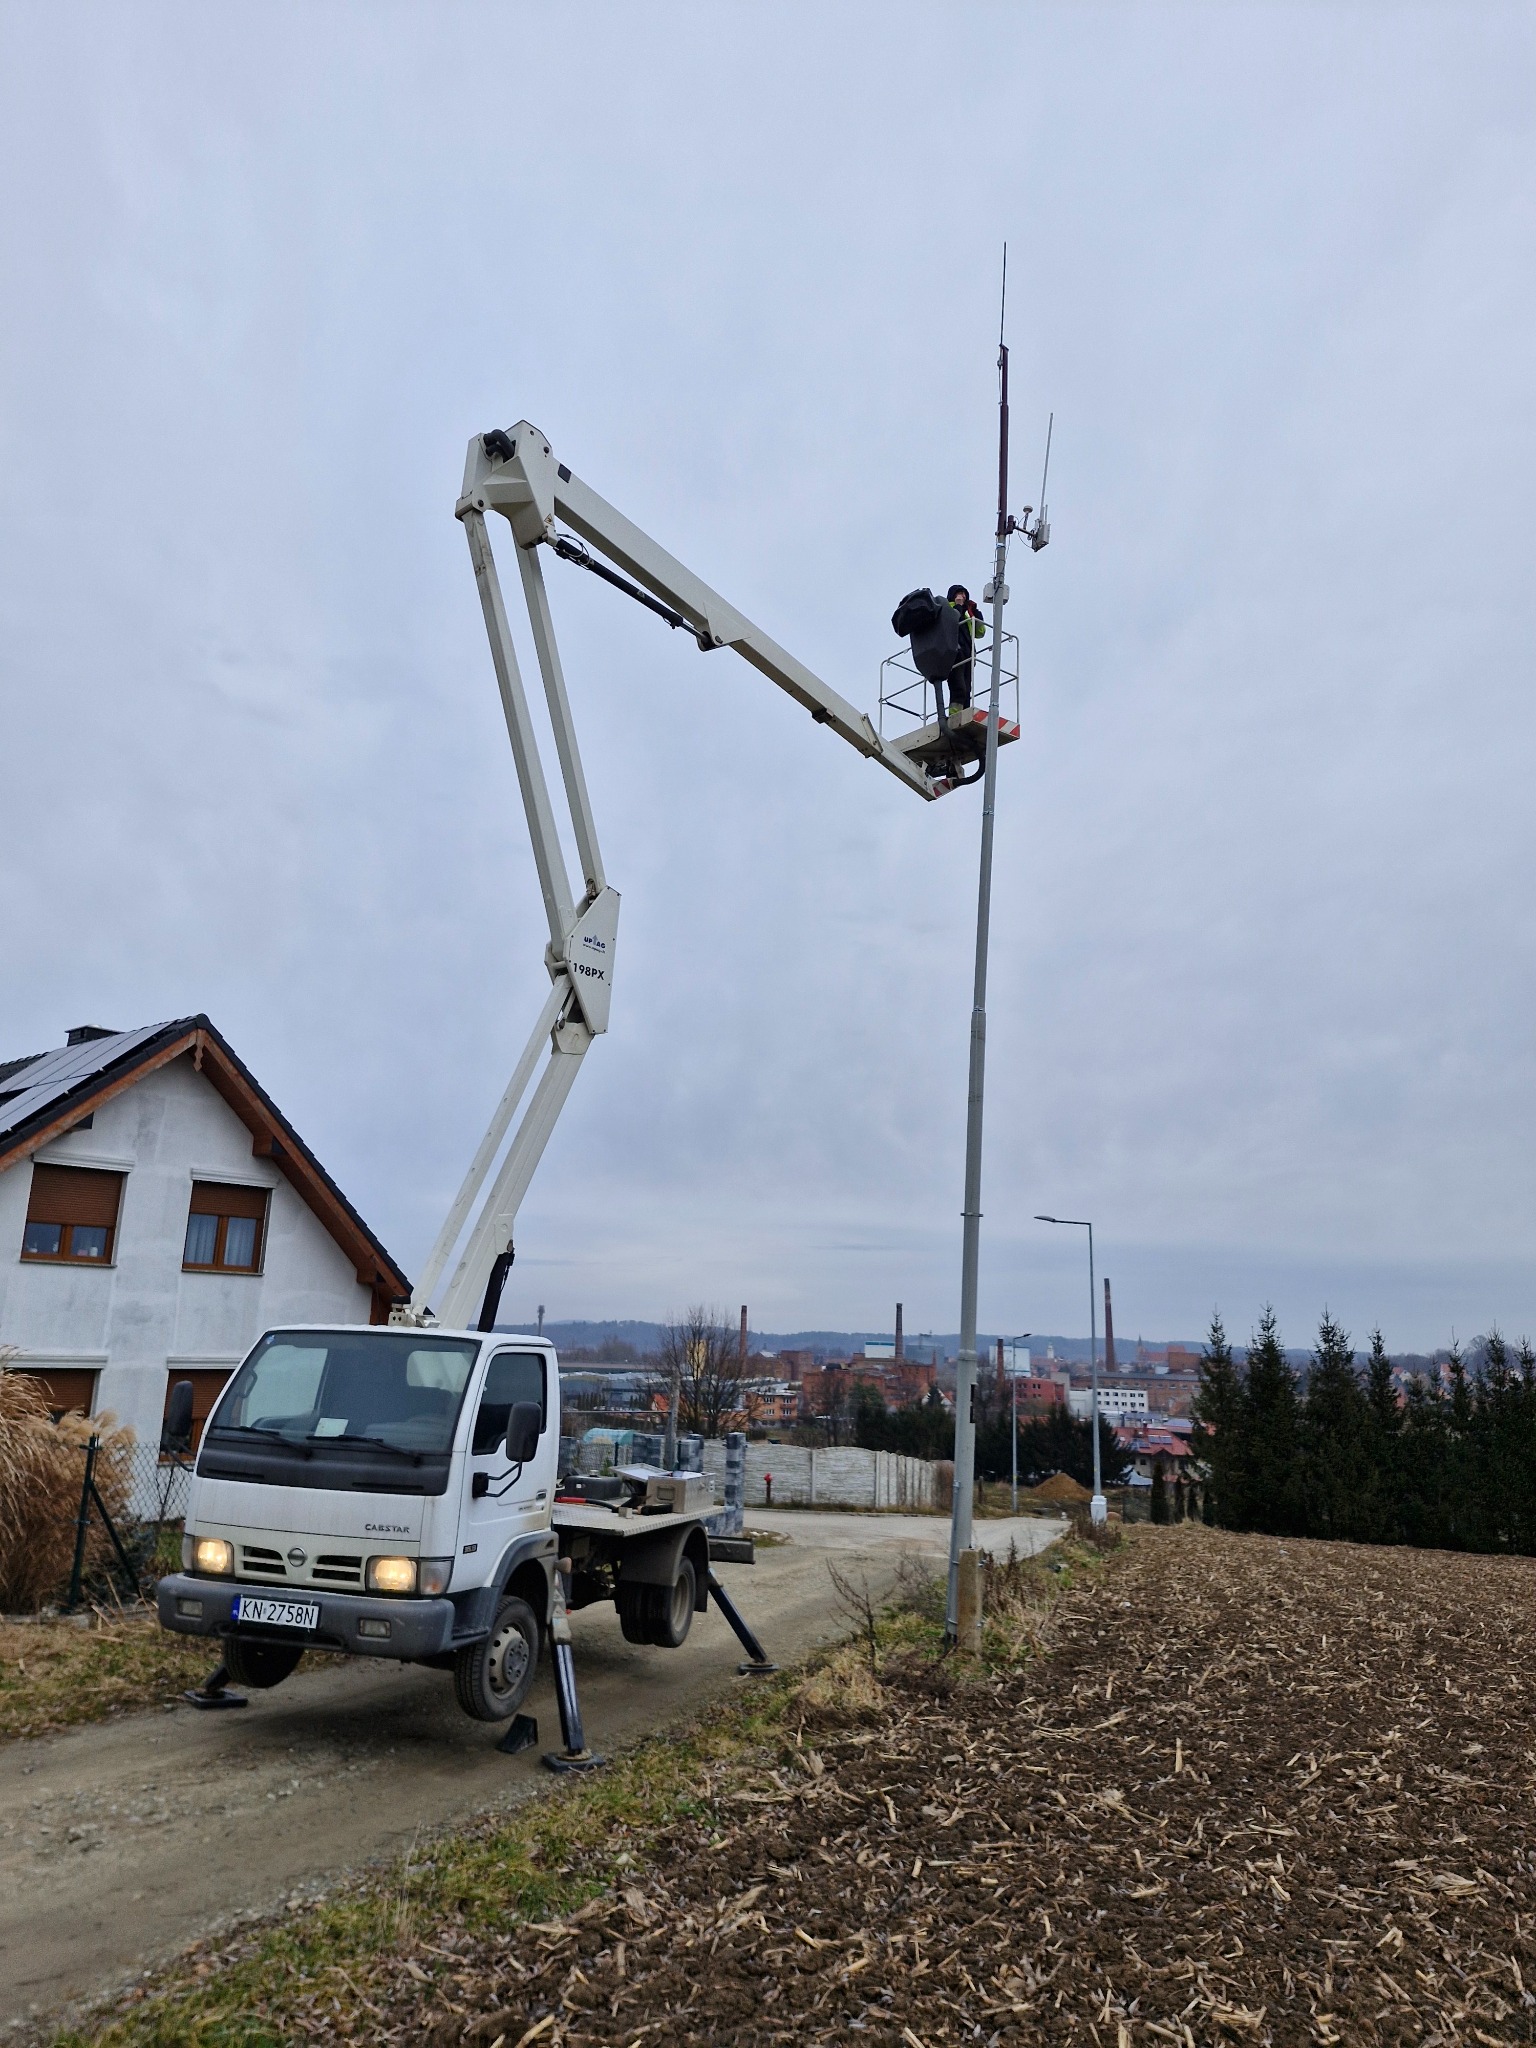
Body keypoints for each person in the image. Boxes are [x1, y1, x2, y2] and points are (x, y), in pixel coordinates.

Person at [945, 585, 985, 714]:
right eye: (959, 593)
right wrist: (958, 606)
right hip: (954, 651)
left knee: (967, 687)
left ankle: (965, 712)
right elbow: (951, 621)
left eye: (964, 594)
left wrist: (976, 613)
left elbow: (980, 632)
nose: (963, 596)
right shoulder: (946, 608)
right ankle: (954, 714)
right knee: (958, 685)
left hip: (968, 652)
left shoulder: (968, 612)